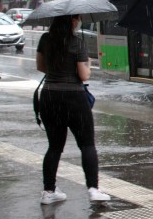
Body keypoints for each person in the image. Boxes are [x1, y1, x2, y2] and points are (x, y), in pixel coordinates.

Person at [36, 15, 110, 205]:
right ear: (71, 21)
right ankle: (93, 189)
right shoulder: (77, 42)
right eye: (77, 18)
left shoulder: (45, 39)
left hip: (50, 96)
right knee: (86, 144)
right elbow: (84, 75)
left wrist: (58, 69)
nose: (78, 21)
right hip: (74, 98)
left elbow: (41, 66)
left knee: (54, 146)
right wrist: (89, 65)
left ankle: (48, 191)